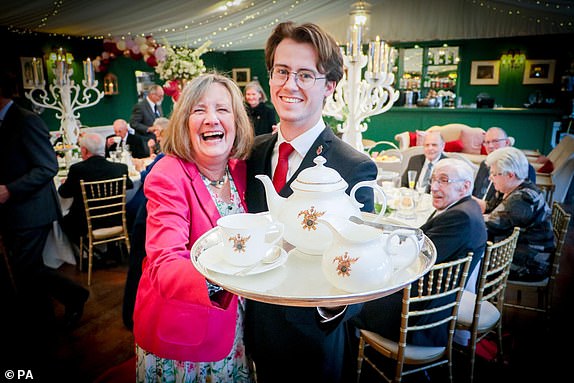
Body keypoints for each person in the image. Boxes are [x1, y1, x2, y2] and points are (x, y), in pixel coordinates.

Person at [243, 22, 378, 383]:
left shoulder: (354, 166)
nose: (290, 84)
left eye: (306, 74)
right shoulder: (252, 153)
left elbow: (365, 261)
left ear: (329, 87)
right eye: (282, 71)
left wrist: (329, 308)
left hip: (314, 340)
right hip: (253, 328)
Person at [132, 72, 254, 382]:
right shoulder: (167, 174)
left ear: (237, 122)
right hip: (185, 335)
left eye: (222, 110)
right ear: (184, 122)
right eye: (199, 110)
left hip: (235, 328)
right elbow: (164, 261)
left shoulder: (240, 170)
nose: (212, 119)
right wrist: (228, 280)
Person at [0, 70, 89, 369]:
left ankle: (43, 329)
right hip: (13, 212)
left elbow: (47, 166)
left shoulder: (26, 120)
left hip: (31, 210)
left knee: (26, 269)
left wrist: (9, 190)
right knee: (28, 269)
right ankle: (56, 311)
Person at [352, 158, 487, 352]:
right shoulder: (466, 208)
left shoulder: (460, 218)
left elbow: (415, 258)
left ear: (465, 186)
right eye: (433, 180)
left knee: (350, 301)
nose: (434, 187)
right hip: (428, 298)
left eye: (443, 180)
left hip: (418, 315)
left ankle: (344, 359)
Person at [484, 146, 555, 282]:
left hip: (532, 262)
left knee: (471, 263)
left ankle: (479, 299)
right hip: (520, 249)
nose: (490, 178)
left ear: (510, 175)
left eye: (494, 174)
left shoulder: (522, 200)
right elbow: (490, 210)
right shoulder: (514, 187)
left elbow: (490, 226)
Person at [58, 132, 133, 246]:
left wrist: (68, 182)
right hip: (116, 219)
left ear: (84, 150)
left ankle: (88, 252)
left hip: (86, 223)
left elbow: (64, 193)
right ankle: (110, 249)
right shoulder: (120, 168)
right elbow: (130, 185)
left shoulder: (77, 170)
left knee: (61, 220)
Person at [472, 127, 537, 213]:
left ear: (507, 143)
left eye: (495, 141)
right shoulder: (484, 164)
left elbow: (512, 209)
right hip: (480, 210)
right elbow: (476, 191)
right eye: (487, 142)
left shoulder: (522, 168)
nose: (490, 146)